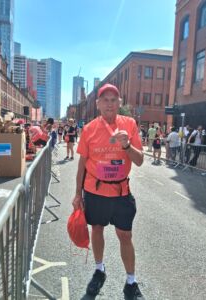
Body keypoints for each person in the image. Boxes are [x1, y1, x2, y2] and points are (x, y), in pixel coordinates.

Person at [72, 83, 145, 299]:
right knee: (96, 229)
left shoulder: (130, 124)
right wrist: (77, 194)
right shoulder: (89, 129)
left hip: (121, 191)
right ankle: (99, 269)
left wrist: (127, 146)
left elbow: (139, 160)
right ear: (98, 104)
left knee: (125, 235)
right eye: (105, 100)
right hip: (95, 192)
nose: (110, 104)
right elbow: (82, 165)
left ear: (120, 103)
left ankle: (131, 282)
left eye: (114, 100)